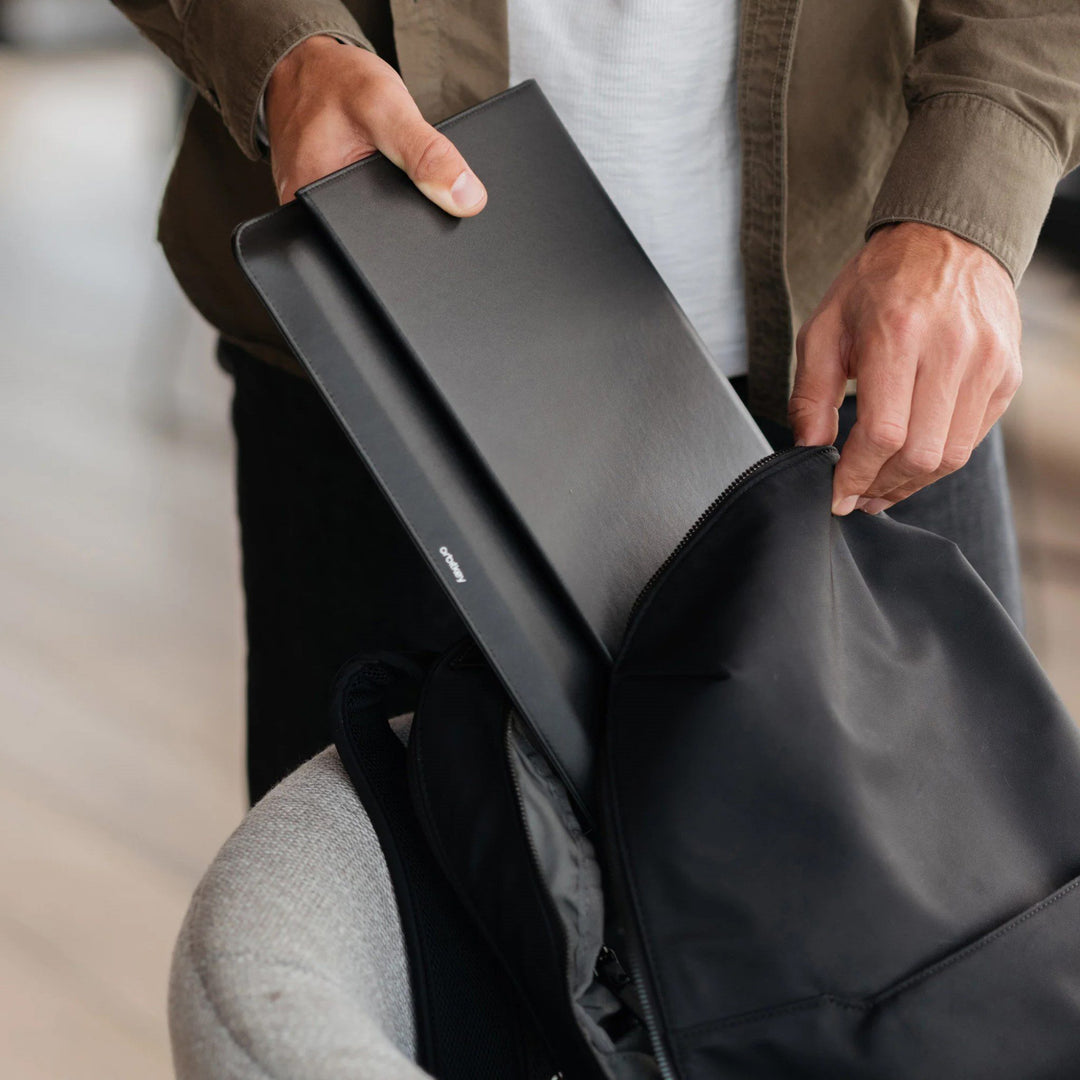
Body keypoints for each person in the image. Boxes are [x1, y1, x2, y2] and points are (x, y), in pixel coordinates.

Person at [113, 1, 1080, 802]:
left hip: (872, 351)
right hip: (388, 339)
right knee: (401, 988)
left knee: (955, 970)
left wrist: (972, 198)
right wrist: (283, 47)